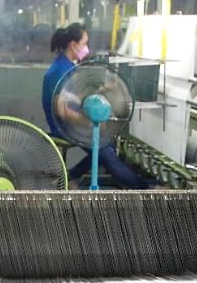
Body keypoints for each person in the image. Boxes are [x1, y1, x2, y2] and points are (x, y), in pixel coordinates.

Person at [42, 23, 152, 190]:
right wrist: (89, 122)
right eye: (84, 43)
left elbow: (73, 97)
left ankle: (69, 176)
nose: (87, 48)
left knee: (106, 149)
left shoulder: (66, 65)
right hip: (64, 127)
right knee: (107, 153)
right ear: (73, 45)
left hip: (71, 123)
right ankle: (146, 188)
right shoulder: (60, 71)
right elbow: (61, 110)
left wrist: (102, 91)